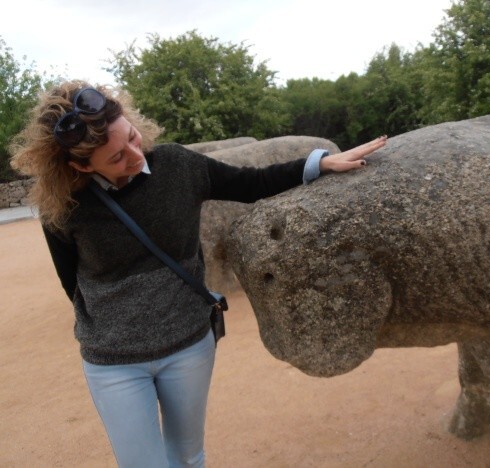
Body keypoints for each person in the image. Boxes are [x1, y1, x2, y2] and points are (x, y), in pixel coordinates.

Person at [10, 80, 387, 467]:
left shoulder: (177, 165)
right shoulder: (65, 207)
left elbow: (251, 182)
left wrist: (318, 163)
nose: (136, 155)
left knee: (188, 458)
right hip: (114, 361)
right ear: (80, 165)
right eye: (118, 157)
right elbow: (70, 282)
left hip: (189, 345)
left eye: (133, 137)